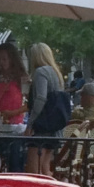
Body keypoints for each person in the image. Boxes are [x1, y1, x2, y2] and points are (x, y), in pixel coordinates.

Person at [24, 42, 66, 177]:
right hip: (55, 129)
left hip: (42, 128)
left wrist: (30, 123)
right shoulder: (56, 73)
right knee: (45, 169)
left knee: (34, 170)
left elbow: (41, 98)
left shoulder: (40, 72)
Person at [0, 42, 28, 125]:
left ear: (12, 59)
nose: (1, 62)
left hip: (15, 123)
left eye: (4, 59)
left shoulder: (21, 78)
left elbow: (29, 104)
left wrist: (13, 112)